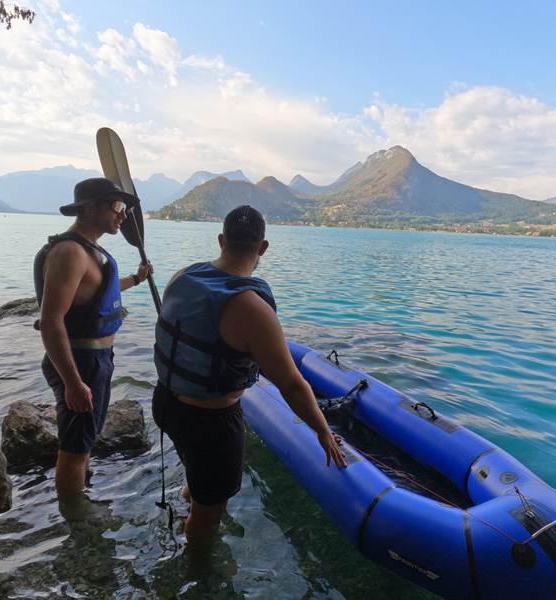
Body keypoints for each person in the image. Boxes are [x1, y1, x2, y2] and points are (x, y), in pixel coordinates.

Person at [152, 204, 346, 543]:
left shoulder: (181, 276)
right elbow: (292, 385)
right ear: (263, 248)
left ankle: (193, 496)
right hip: (210, 424)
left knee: (197, 474)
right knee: (209, 517)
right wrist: (323, 431)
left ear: (221, 240)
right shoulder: (251, 308)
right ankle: (198, 570)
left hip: (166, 403)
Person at [34, 177, 153, 516]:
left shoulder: (90, 250)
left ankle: (80, 495)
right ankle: (75, 521)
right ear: (90, 208)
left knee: (83, 442)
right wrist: (73, 382)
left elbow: (97, 293)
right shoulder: (70, 251)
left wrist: (136, 279)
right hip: (81, 361)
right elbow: (51, 320)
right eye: (117, 206)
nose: (123, 216)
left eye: (125, 208)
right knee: (74, 448)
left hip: (95, 359)